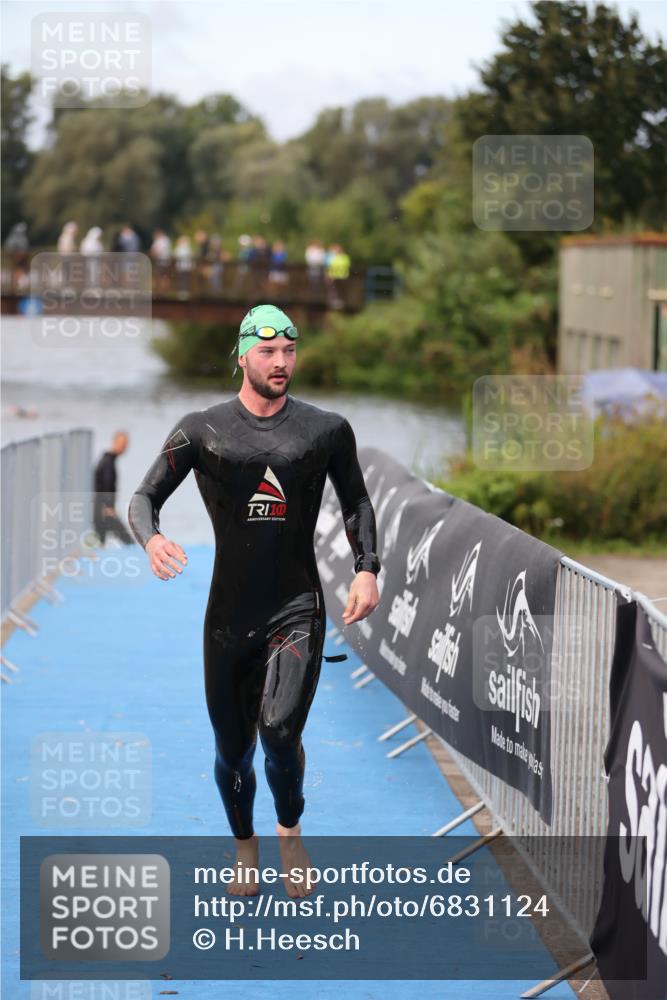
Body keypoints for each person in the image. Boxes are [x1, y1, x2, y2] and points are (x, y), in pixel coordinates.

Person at [128, 303, 381, 899]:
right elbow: (143, 497)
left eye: (289, 351)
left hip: (297, 606)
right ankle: (245, 844)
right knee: (233, 751)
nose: (281, 363)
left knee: (278, 731)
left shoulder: (326, 430)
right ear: (243, 354)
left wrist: (367, 569)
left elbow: (358, 504)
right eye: (268, 352)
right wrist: (153, 537)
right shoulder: (202, 428)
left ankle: (288, 827)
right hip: (228, 619)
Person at [93, 431, 134, 545]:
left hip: (99, 508)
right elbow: (107, 485)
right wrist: (109, 507)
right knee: (128, 542)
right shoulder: (108, 462)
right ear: (114, 442)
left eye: (125, 444)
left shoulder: (107, 460)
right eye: (122, 444)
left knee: (100, 541)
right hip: (103, 509)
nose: (124, 447)